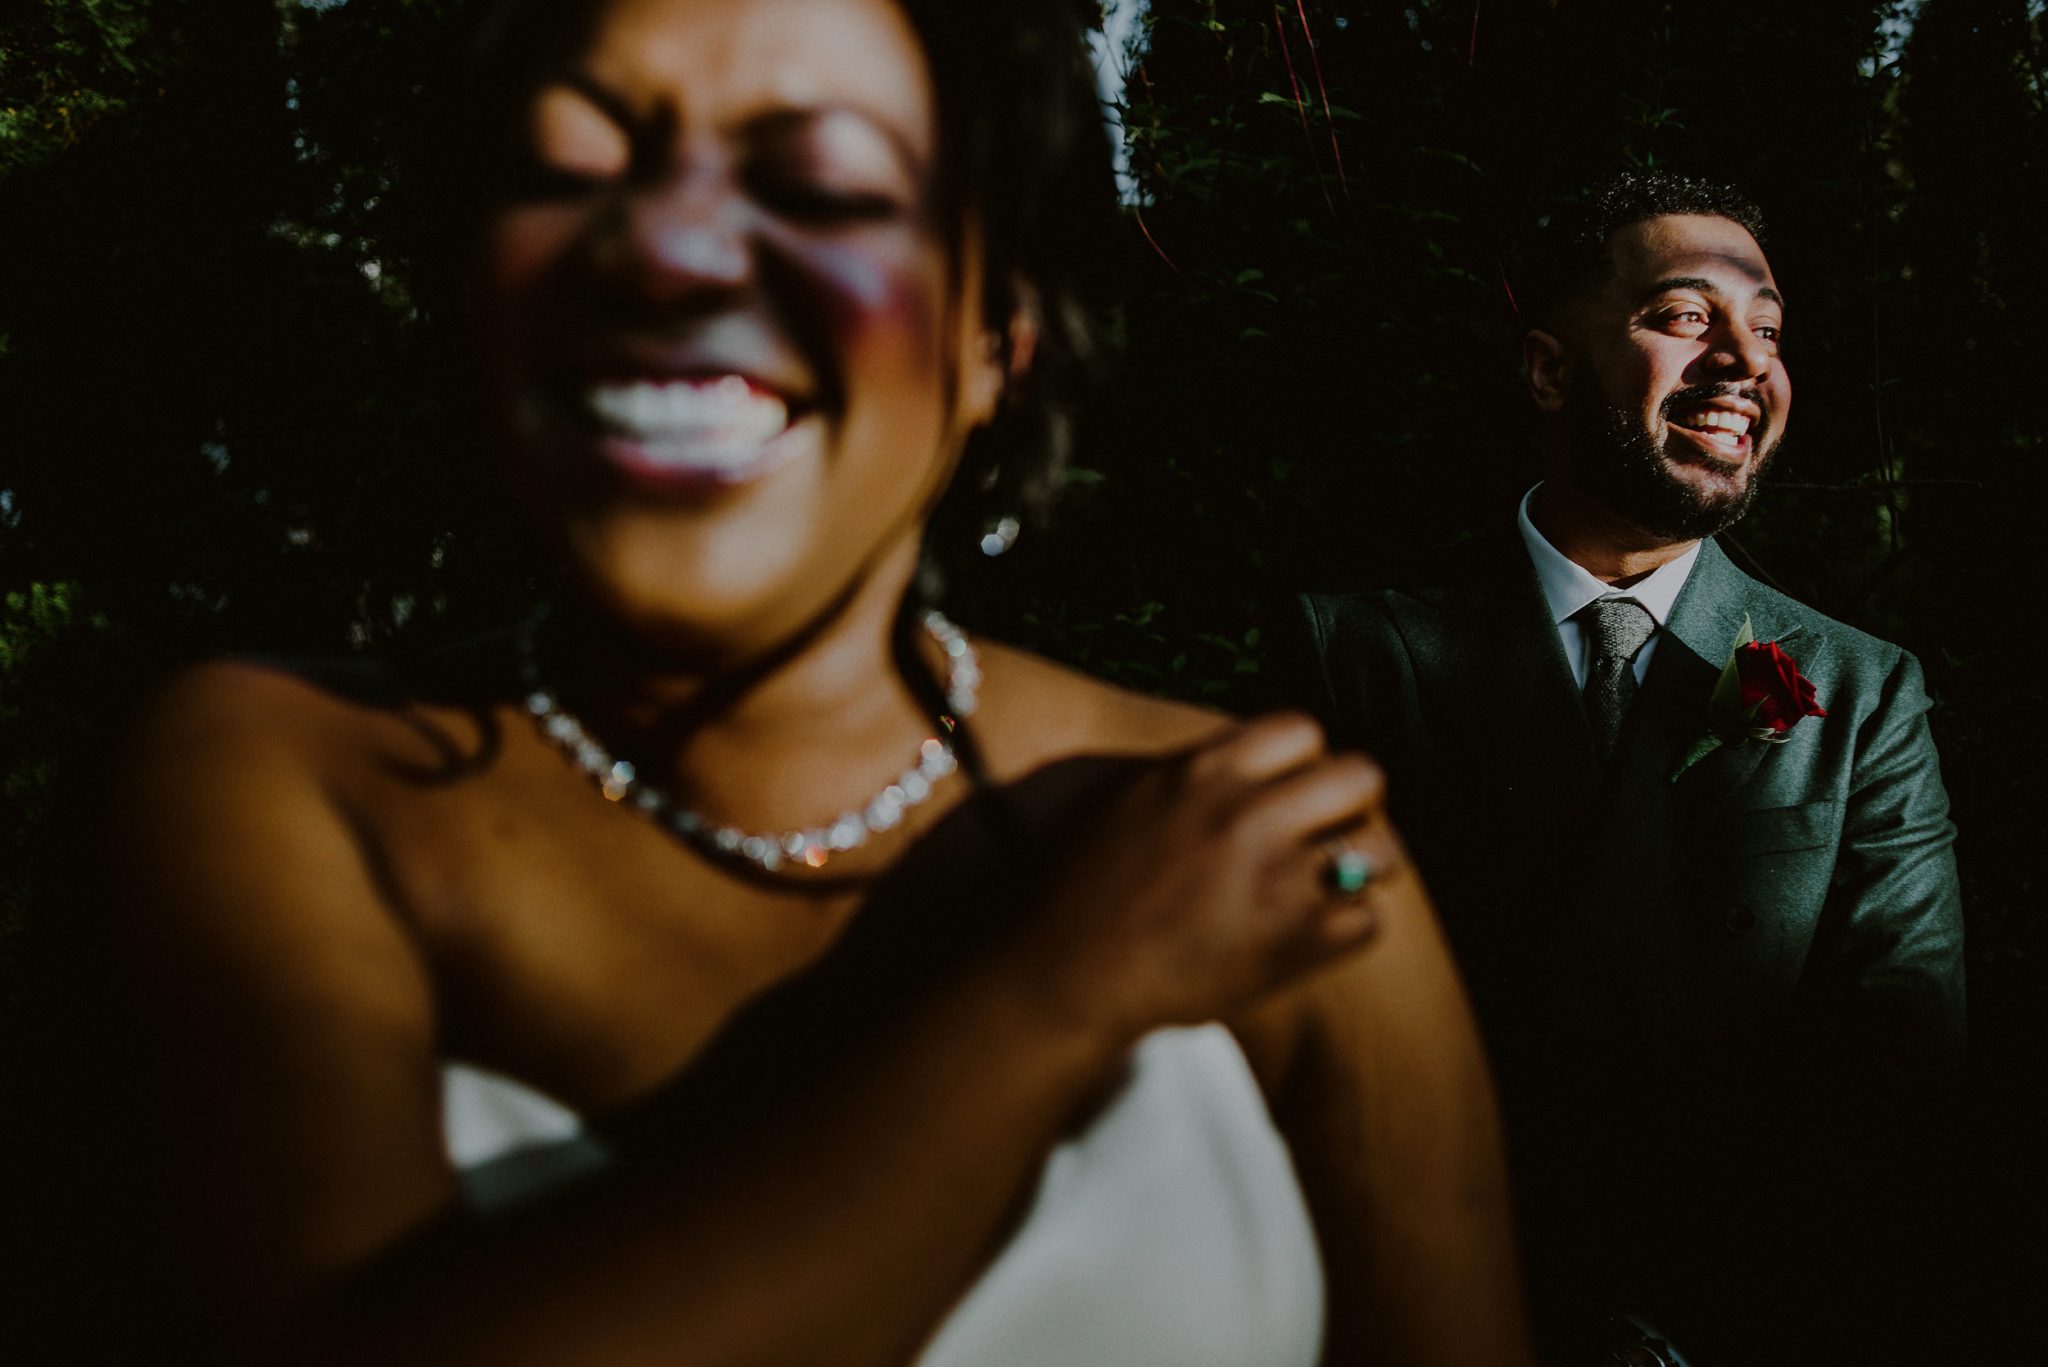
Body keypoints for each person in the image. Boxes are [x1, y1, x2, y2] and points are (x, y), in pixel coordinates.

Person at [86, 1, 1534, 1363]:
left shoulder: (1269, 850)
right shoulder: (279, 778)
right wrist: (1059, 1000)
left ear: (995, 346)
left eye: (826, 187)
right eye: (561, 170)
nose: (663, 253)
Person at [1285, 172, 1966, 1365]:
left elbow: (1893, 1064)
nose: (1740, 363)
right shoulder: (1349, 655)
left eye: (1764, 329)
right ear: (1548, 369)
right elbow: (1294, 1024)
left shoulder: (1859, 692)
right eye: (1682, 316)